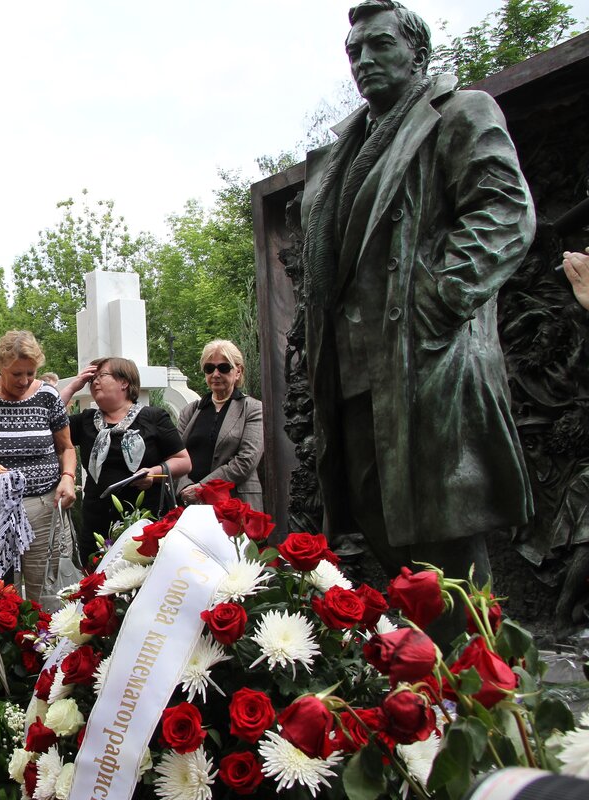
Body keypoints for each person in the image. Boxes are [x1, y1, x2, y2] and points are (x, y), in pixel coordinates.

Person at [300, 0, 535, 618]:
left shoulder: (459, 113)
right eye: (355, 52)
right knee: (389, 542)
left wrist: (435, 299)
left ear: (418, 53)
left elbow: (504, 210)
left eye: (380, 46)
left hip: (423, 365)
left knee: (447, 548)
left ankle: (482, 687)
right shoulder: (338, 157)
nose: (364, 60)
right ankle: (428, 686)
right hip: (352, 381)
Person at [0, 331, 76, 600]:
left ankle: (44, 641)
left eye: (30, 373)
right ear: (0, 366)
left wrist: (68, 477)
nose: (24, 381)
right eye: (16, 374)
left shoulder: (48, 397)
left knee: (44, 591)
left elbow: (66, 448)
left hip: (41, 508)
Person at [61, 357, 191, 561]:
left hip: (145, 519)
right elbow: (46, 421)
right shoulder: (86, 420)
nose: (94, 382)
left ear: (124, 382)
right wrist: (73, 386)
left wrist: (154, 473)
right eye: (91, 379)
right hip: (97, 522)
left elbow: (183, 461)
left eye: (101, 376)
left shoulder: (153, 417)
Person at [176, 340, 265, 511]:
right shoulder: (190, 411)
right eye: (209, 368)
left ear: (238, 371)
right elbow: (175, 455)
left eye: (223, 368)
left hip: (235, 505)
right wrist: (184, 488)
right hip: (191, 506)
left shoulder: (252, 409)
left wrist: (203, 488)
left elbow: (246, 460)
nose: (215, 374)